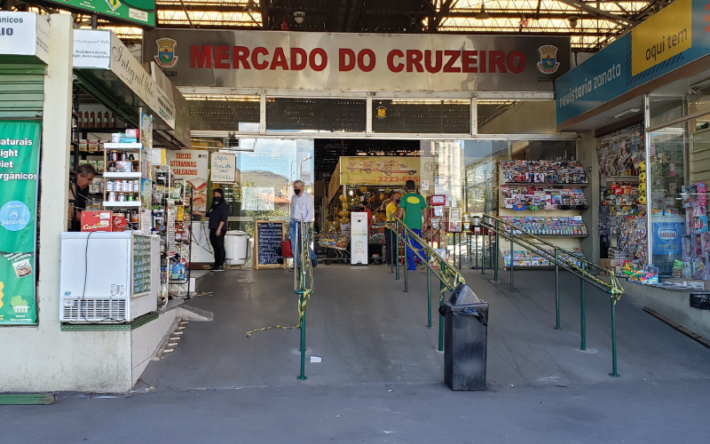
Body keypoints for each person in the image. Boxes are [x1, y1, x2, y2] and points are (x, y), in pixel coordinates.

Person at [396, 180, 428, 271]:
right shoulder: (420, 198)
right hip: (418, 225)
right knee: (417, 244)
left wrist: (397, 221)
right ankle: (423, 261)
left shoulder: (405, 197)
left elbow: (400, 211)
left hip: (407, 226)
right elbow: (425, 210)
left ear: (406, 187)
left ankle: (412, 267)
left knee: (408, 245)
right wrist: (425, 222)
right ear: (414, 187)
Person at [195, 188, 229, 271]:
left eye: (218, 195)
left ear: (221, 195)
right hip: (213, 227)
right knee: (214, 246)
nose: (216, 196)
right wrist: (197, 213)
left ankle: (220, 265)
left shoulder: (223, 205)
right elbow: (208, 214)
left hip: (219, 228)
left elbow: (223, 218)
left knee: (219, 246)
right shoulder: (214, 205)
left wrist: (219, 229)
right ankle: (216, 264)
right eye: (215, 195)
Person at [290, 180, 317, 272]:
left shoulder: (307, 198)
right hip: (293, 222)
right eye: (294, 187)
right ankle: (296, 265)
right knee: (294, 245)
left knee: (303, 243)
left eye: (296, 187)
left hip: (303, 222)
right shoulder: (293, 197)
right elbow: (292, 211)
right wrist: (290, 221)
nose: (295, 189)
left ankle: (312, 257)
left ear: (301, 187)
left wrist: (305, 223)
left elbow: (310, 212)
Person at [68, 163, 96, 231]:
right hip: (73, 230)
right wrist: (92, 223)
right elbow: (72, 211)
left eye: (91, 180)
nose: (89, 182)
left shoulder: (82, 190)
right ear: (79, 176)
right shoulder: (71, 188)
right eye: (88, 179)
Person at [384, 193, 401, 266]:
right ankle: (389, 261)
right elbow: (396, 214)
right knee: (390, 244)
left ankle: (394, 261)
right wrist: (398, 207)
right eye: (397, 198)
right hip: (389, 227)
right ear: (394, 199)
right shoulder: (390, 206)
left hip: (394, 227)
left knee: (394, 245)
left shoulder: (394, 205)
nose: (398, 199)